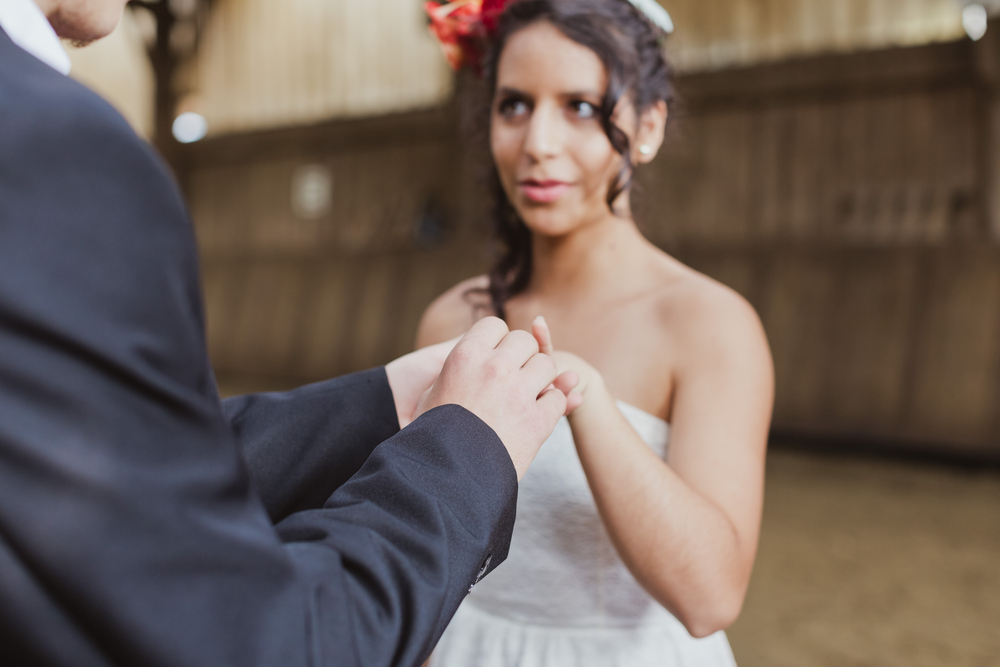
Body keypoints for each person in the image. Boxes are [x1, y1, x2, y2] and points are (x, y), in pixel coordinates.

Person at [0, 1, 581, 666]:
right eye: (512, 105)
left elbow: (111, 468)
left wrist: (377, 404)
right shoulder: (49, 146)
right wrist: (466, 451)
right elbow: (255, 640)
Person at [418, 0, 774, 664]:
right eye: (514, 105)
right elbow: (420, 553)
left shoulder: (709, 324)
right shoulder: (450, 320)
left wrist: (584, 395)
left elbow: (711, 597)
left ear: (648, 126)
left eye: (581, 106)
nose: (538, 143)